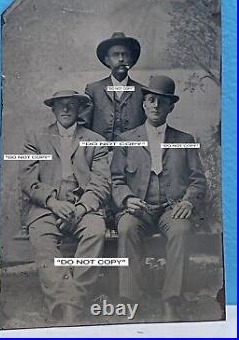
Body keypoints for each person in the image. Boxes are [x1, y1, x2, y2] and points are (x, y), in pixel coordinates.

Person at [111, 75, 207, 321]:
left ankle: (171, 300)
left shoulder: (184, 140)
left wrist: (187, 201)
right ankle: (130, 300)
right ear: (144, 103)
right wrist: (126, 200)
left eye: (161, 102)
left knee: (181, 230)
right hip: (138, 208)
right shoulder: (126, 139)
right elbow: (116, 179)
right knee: (126, 228)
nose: (155, 106)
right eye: (151, 100)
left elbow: (197, 179)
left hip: (171, 208)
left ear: (170, 107)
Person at [20, 90, 111, 324]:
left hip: (83, 207)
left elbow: (101, 183)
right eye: (61, 105)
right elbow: (27, 180)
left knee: (95, 231)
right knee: (42, 240)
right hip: (46, 207)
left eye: (72, 105)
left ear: (80, 109)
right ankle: (70, 304)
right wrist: (52, 202)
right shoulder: (35, 138)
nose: (66, 109)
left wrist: (80, 209)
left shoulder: (95, 141)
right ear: (53, 109)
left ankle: (71, 303)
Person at [80, 32, 146, 141]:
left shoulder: (142, 91)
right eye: (116, 55)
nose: (121, 59)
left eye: (125, 55)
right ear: (107, 60)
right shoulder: (93, 90)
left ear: (131, 60)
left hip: (133, 154)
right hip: (101, 154)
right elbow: (83, 128)